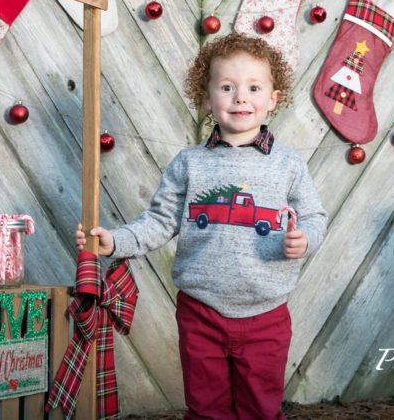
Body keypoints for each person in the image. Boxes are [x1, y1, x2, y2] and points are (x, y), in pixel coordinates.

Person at [77, 32, 327, 419]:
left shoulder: (288, 164)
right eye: (227, 87)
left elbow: (313, 217)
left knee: (261, 407)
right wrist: (116, 241)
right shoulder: (188, 164)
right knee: (206, 407)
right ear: (208, 100)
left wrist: (305, 238)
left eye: (254, 87)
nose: (240, 97)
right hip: (200, 310)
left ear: (273, 99)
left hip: (266, 311)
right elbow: (161, 221)